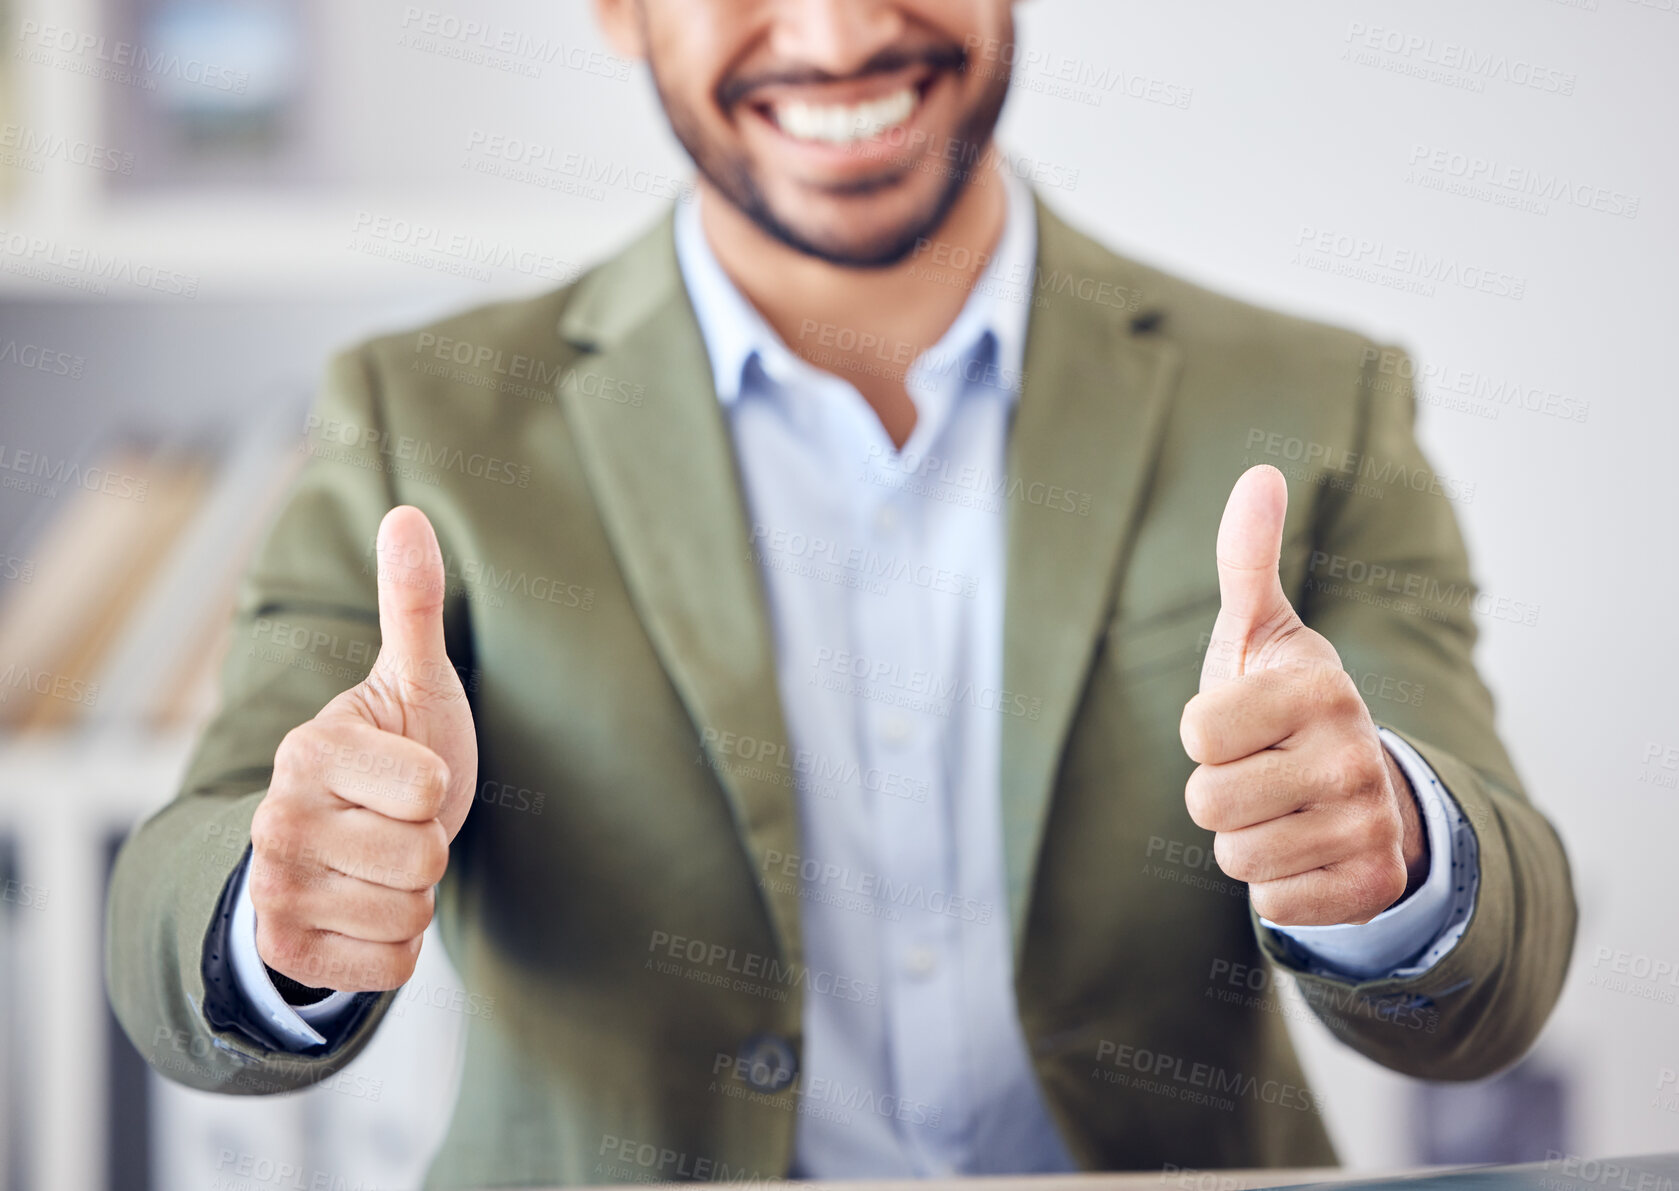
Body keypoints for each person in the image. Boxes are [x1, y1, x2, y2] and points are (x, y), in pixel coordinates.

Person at [107, 2, 1576, 1188]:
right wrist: (275, 908)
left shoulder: (1314, 402)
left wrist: (1390, 850)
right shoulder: (422, 419)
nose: (834, 28)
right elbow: (172, 901)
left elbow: (1499, 980)